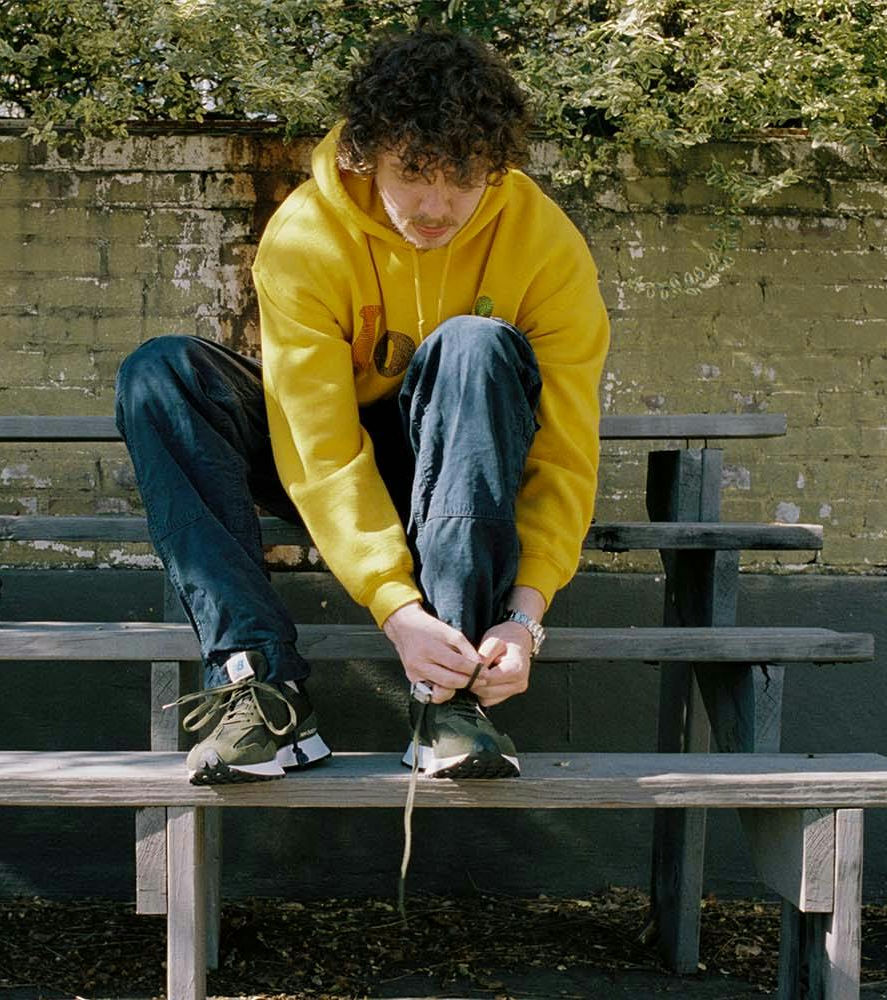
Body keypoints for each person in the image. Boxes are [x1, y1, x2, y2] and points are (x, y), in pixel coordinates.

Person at [114, 27, 609, 786]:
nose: (438, 205)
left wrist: (524, 616)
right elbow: (319, 445)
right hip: (320, 461)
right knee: (160, 375)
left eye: (465, 178)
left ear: (496, 167)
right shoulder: (305, 236)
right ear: (366, 155)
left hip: (462, 455)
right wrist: (394, 608)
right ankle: (259, 686)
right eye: (414, 173)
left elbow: (563, 448)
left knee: (475, 344)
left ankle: (449, 695)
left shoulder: (545, 243)